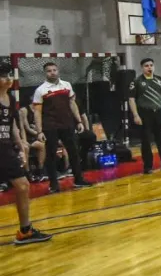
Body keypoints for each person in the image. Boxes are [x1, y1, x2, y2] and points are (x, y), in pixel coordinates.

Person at [0, 66, 52, 245]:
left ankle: (25, 230)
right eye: (3, 77)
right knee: (22, 186)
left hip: (6, 149)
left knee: (22, 186)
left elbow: (12, 124)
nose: (8, 79)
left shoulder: (10, 98)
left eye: (9, 76)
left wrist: (21, 145)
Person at [32, 62, 92, 192]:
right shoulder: (40, 90)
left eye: (54, 70)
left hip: (67, 125)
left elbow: (72, 104)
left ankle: (78, 180)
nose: (52, 72)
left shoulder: (67, 85)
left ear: (58, 71)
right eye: (49, 71)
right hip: (50, 127)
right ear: (45, 73)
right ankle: (54, 185)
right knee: (51, 155)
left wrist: (79, 121)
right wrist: (39, 131)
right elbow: (37, 112)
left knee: (74, 152)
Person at [128, 58, 161, 175]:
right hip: (144, 114)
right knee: (146, 142)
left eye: (151, 65)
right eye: (146, 66)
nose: (149, 68)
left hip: (159, 113)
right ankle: (148, 167)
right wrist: (136, 115)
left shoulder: (160, 80)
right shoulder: (136, 81)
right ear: (142, 68)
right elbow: (131, 99)